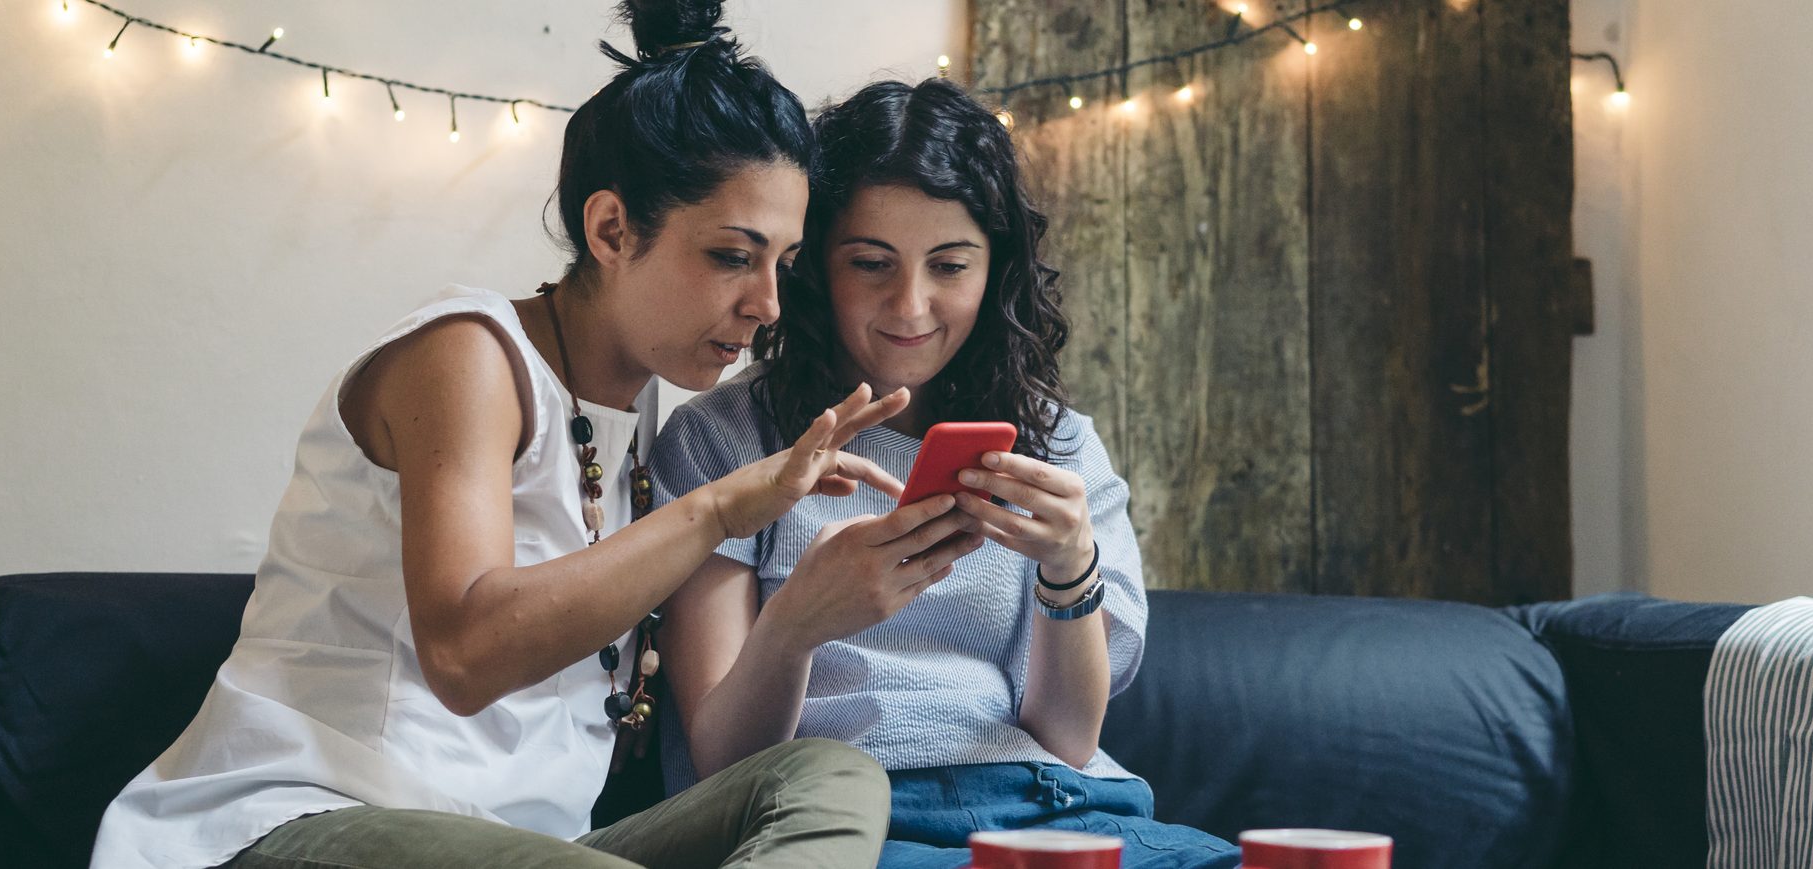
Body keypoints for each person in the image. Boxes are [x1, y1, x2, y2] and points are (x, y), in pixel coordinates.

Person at [88, 3, 906, 867]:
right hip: (307, 813)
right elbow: (463, 654)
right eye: (732, 256)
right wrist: (716, 513)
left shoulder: (635, 422)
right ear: (610, 229)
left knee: (827, 776)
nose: (767, 304)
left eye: (781, 262)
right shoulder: (467, 354)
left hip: (532, 843)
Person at [649, 78, 1242, 869]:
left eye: (949, 265)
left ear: (994, 272)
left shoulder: (1059, 447)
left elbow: (1069, 736)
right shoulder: (723, 442)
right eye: (871, 264)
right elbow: (723, 766)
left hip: (1061, 806)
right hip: (851, 822)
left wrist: (1070, 568)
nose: (911, 305)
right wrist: (797, 621)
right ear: (814, 266)